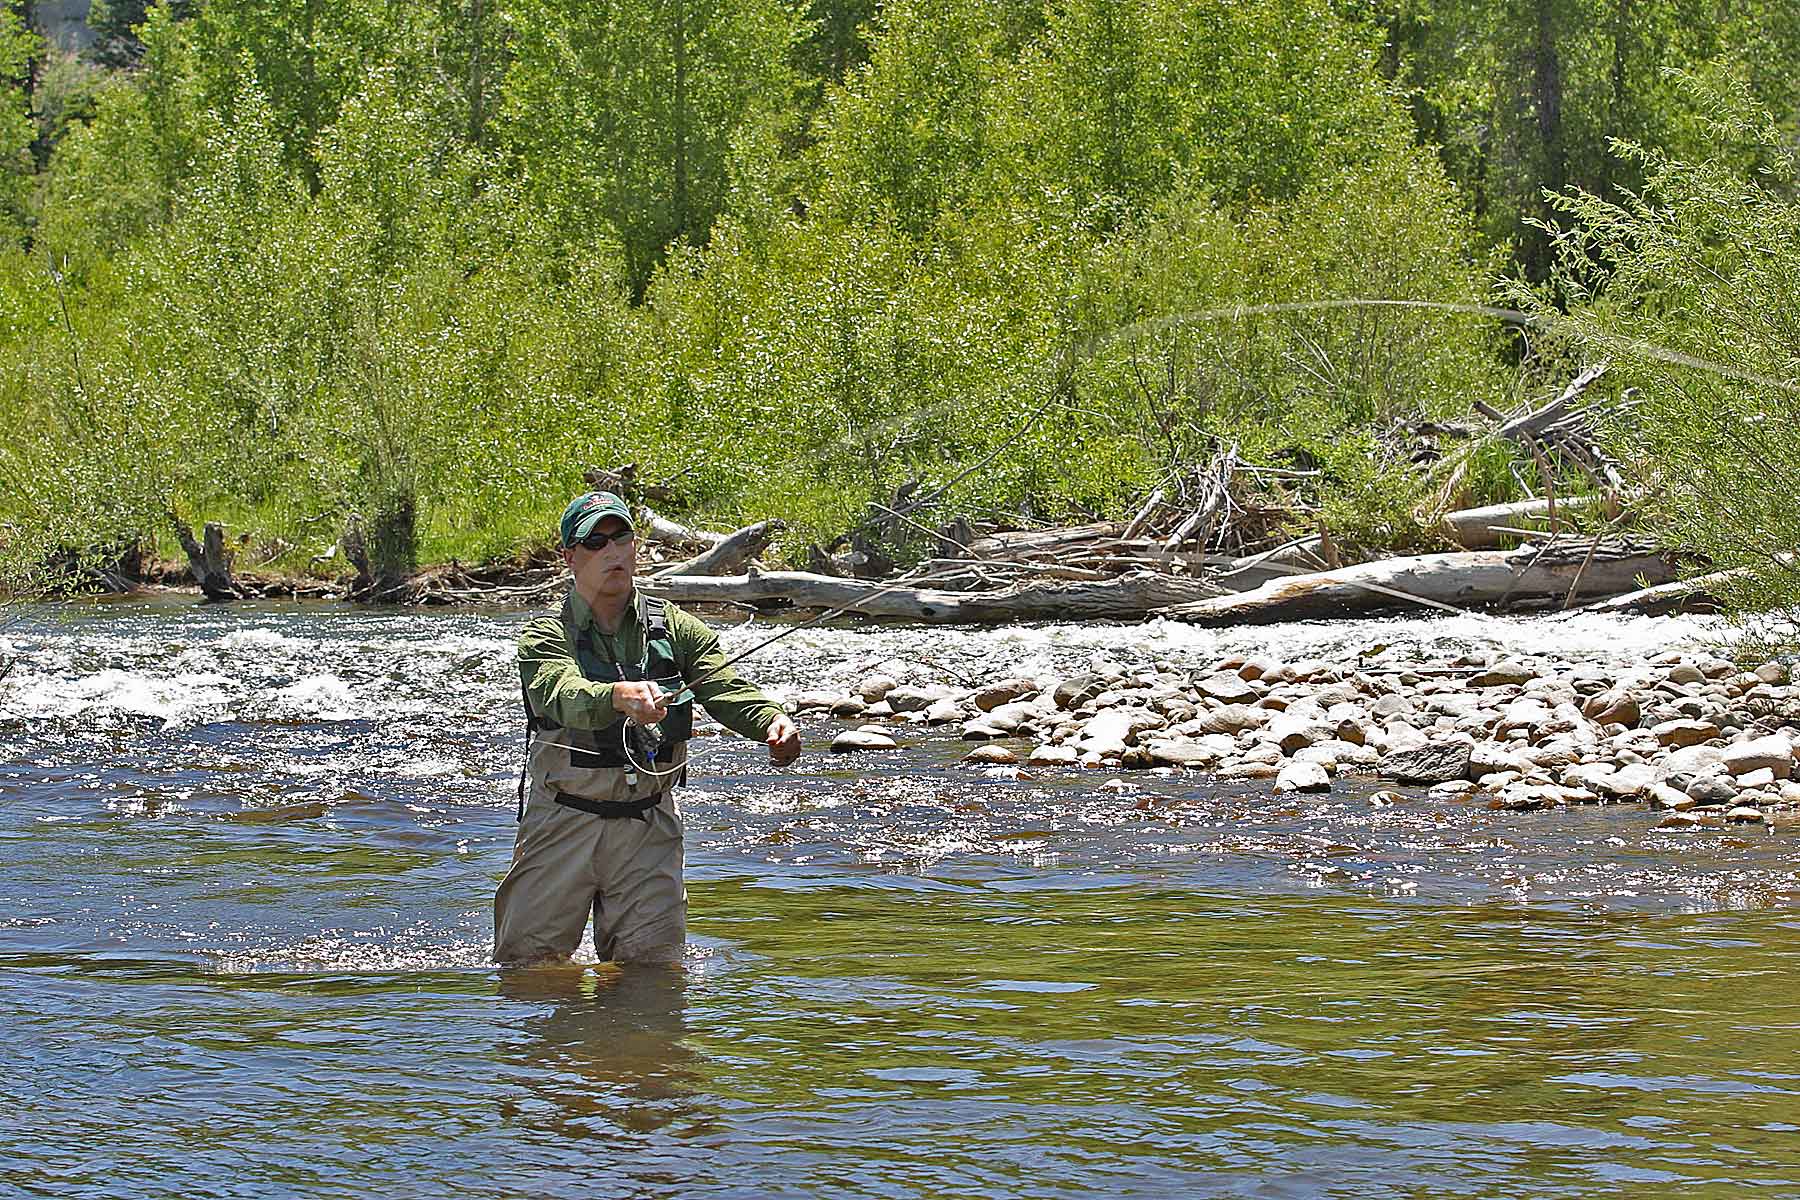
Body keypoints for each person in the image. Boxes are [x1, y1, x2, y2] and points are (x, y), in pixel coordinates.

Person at [495, 491, 801, 966]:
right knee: (530, 973)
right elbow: (559, 692)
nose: (612, 551)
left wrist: (770, 721)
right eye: (595, 541)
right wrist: (619, 697)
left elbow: (722, 684)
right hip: (563, 822)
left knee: (653, 976)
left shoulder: (676, 627)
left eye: (622, 538)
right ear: (569, 557)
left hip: (649, 825)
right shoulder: (545, 634)